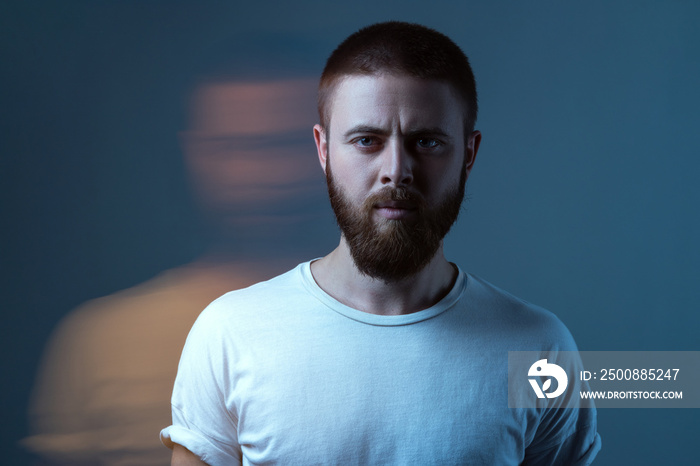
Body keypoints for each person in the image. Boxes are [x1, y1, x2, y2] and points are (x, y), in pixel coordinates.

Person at [161, 21, 602, 465]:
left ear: (469, 154)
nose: (396, 170)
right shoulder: (229, 334)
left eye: (426, 141)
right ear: (323, 150)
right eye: (367, 140)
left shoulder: (540, 348)